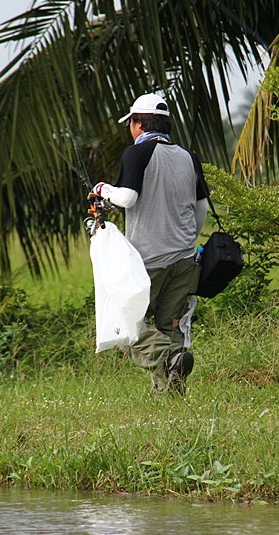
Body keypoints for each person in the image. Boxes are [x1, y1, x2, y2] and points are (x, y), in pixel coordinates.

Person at [92, 93, 210, 395]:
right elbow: (202, 209)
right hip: (185, 260)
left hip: (148, 261)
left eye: (130, 123)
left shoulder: (137, 153)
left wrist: (103, 189)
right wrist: (185, 240)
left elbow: (128, 197)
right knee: (171, 326)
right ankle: (168, 394)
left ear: (138, 123)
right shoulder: (188, 156)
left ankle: (169, 359)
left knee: (125, 323)